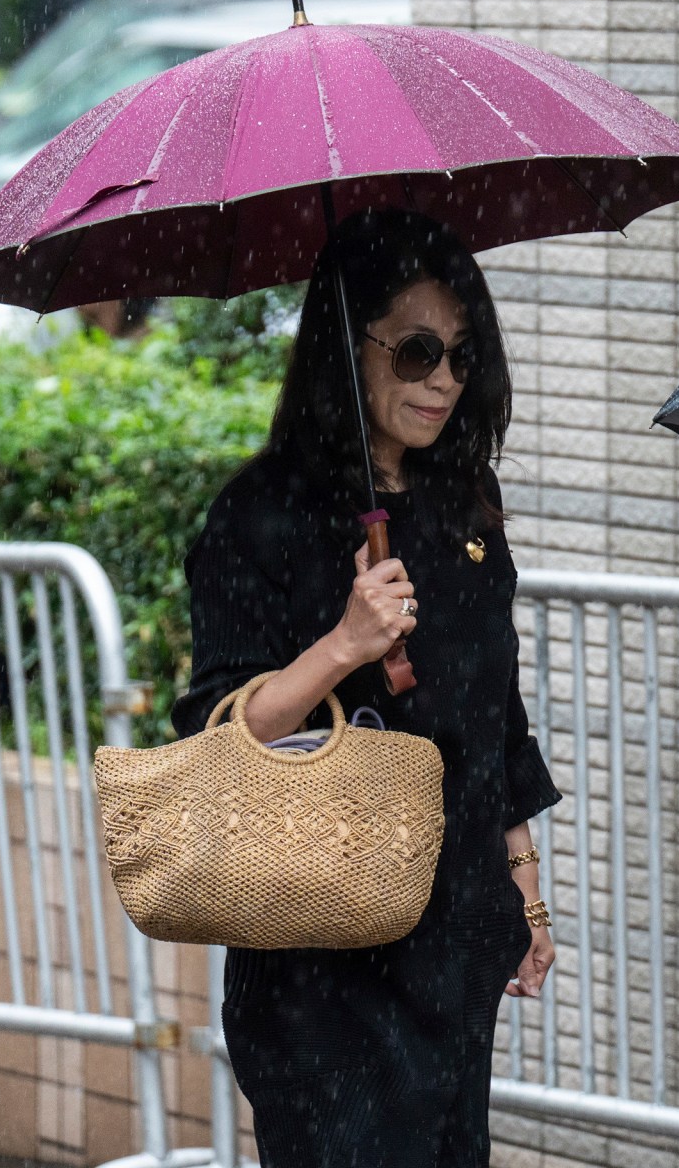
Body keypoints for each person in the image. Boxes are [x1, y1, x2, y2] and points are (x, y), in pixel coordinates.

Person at [171, 209, 562, 1168]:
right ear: (350, 347)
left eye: (463, 357)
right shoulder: (260, 516)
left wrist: (526, 885)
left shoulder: (461, 502)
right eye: (418, 351)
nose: (442, 383)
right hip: (320, 953)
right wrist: (345, 643)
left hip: (454, 934)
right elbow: (221, 730)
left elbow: (492, 706)